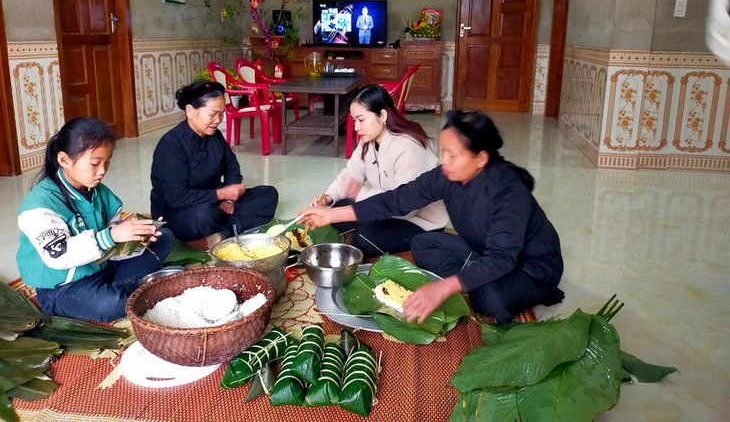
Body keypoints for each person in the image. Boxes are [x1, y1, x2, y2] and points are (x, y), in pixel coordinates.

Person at [301, 110, 564, 324]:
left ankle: (491, 281)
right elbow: (398, 199)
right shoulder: (448, 174)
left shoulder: (509, 192)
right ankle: (477, 273)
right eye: (443, 152)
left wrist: (444, 287)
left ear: (481, 158)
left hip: (530, 266)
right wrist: (332, 213)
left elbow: (503, 257)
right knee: (422, 245)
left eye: (453, 154)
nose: (444, 161)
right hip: (483, 251)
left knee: (488, 300)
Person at [16, 117, 174, 322]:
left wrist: (135, 239)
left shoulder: (99, 192)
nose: (102, 170)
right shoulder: (38, 206)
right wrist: (110, 235)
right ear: (64, 160)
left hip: (101, 267)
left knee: (165, 237)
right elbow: (59, 256)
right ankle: (119, 291)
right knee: (113, 305)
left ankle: (117, 289)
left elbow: (113, 244)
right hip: (63, 286)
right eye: (94, 163)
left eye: (107, 161)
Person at [310, 85, 448, 256]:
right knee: (338, 207)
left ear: (382, 115)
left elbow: (405, 208)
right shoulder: (368, 140)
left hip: (417, 220)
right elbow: (350, 175)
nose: (356, 128)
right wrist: (328, 198)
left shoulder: (408, 147)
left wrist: (359, 193)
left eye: (361, 120)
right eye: (354, 120)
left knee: (364, 238)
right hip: (384, 208)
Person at [150, 81, 278, 247]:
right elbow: (177, 197)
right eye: (212, 114)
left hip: (215, 201)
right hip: (180, 210)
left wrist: (230, 200)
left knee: (268, 194)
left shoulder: (215, 136)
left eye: (221, 114)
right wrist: (221, 194)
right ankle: (224, 227)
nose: (218, 120)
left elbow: (232, 168)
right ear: (190, 111)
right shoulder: (171, 145)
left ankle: (222, 233)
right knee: (204, 214)